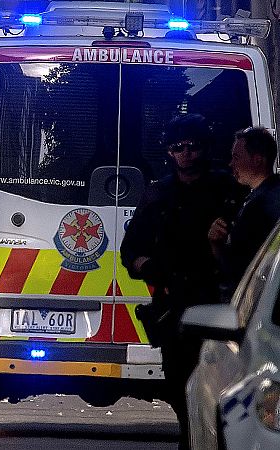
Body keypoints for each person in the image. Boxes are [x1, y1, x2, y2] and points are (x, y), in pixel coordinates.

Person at [120, 113, 244, 450]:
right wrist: (146, 264)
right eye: (178, 147)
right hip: (174, 303)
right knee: (177, 383)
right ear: (168, 152)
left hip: (217, 302)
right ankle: (191, 436)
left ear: (204, 147)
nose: (185, 153)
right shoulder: (158, 194)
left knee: (221, 386)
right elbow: (130, 250)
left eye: (192, 146)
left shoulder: (227, 189)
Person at [209, 127, 280, 298]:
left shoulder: (266, 203)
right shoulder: (258, 196)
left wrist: (217, 245)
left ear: (257, 160)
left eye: (236, 157)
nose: (231, 164)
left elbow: (241, 265)